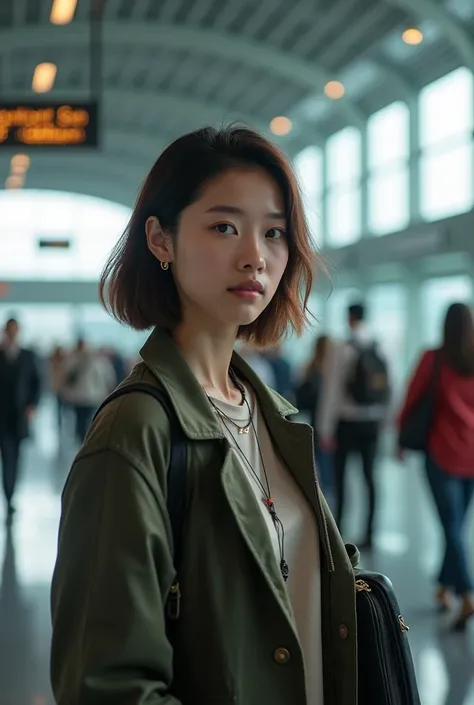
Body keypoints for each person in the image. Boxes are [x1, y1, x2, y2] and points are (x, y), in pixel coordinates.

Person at [50, 125, 359, 705]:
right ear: (161, 240)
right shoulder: (135, 433)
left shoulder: (273, 416)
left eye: (274, 233)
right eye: (224, 226)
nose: (255, 255)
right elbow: (107, 686)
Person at [398, 302, 474, 630]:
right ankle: (444, 589)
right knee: (454, 526)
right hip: (472, 455)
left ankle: (468, 594)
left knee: (451, 527)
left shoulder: (435, 358)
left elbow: (412, 397)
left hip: (441, 454)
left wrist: (400, 438)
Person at [318, 303, 390, 550]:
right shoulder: (380, 346)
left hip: (346, 422)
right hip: (372, 421)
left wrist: (325, 428)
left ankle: (337, 530)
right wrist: (386, 419)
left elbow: (331, 389)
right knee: (370, 478)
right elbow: (390, 386)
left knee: (341, 478)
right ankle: (370, 533)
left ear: (349, 317)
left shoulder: (341, 347)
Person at [0, 318, 41, 521]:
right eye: (9, 330)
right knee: (7, 458)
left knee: (13, 459)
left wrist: (32, 405)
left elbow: (36, 383)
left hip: (17, 419)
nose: (12, 334)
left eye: (15, 330)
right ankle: (8, 496)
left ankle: (10, 497)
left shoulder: (27, 356)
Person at [297, 335, 334, 500]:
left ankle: (321, 493)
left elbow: (299, 393)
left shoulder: (309, 367)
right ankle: (329, 490)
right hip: (330, 421)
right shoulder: (333, 369)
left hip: (313, 420)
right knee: (330, 461)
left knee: (317, 460)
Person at [62, 338, 116, 443]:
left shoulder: (97, 361)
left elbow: (108, 378)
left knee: (87, 421)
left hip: (91, 397)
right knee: (83, 422)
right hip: (82, 398)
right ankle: (84, 441)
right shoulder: (74, 360)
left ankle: (86, 441)